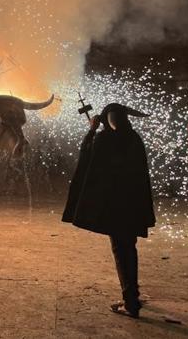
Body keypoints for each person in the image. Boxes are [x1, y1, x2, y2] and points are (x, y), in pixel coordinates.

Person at [62, 103, 155, 318]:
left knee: (122, 250)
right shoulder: (134, 139)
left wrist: (92, 130)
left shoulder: (105, 139)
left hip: (116, 207)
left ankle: (131, 302)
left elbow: (87, 156)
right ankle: (133, 293)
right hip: (133, 206)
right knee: (128, 249)